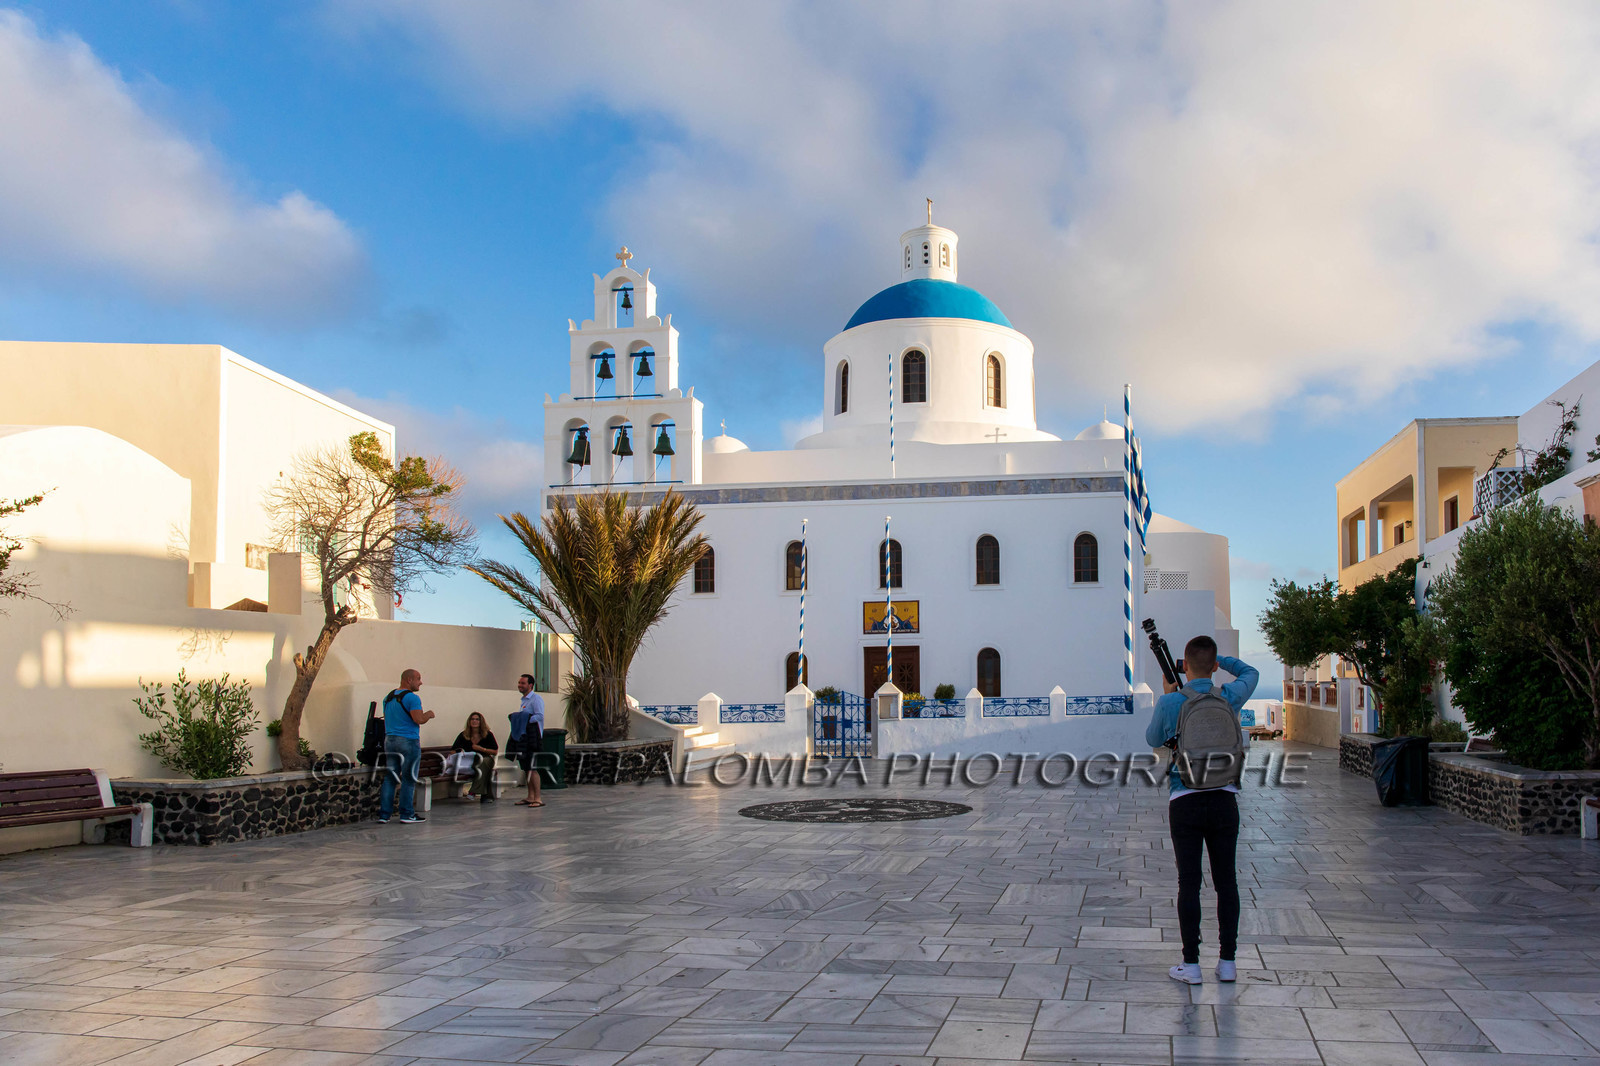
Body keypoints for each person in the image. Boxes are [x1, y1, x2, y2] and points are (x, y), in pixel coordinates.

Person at [1144, 635, 1258, 985]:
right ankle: (1227, 962)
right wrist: (1219, 660)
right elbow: (1251, 672)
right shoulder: (1229, 695)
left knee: (1188, 883)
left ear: (1185, 664)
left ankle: (1190, 964)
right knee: (1227, 882)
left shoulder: (1172, 701)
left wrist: (1169, 696)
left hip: (1185, 800)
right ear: (1212, 666)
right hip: (1224, 798)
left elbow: (1152, 739)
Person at [378, 668, 435, 824]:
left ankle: (384, 815)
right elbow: (418, 719)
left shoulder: (388, 697)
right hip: (408, 741)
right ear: (409, 680)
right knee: (409, 779)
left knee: (390, 778)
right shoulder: (412, 698)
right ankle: (407, 814)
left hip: (390, 740)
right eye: (418, 678)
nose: (420, 682)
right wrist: (428, 714)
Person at [509, 673, 545, 808]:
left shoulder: (536, 699)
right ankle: (530, 796)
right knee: (526, 768)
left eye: (523, 683)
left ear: (530, 685)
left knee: (532, 768)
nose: (520, 685)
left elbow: (539, 716)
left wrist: (525, 720)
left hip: (533, 739)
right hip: (523, 739)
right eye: (519, 683)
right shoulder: (524, 701)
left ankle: (538, 798)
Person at [451, 712, 500, 803]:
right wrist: (460, 751)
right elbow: (453, 750)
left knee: (484, 763)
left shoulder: (488, 735)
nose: (474, 721)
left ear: (481, 722)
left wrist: (482, 749)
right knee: (484, 769)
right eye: (472, 719)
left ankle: (473, 791)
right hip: (470, 760)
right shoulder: (463, 735)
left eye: (477, 719)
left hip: (486, 758)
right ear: (469, 721)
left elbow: (495, 751)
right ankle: (485, 796)